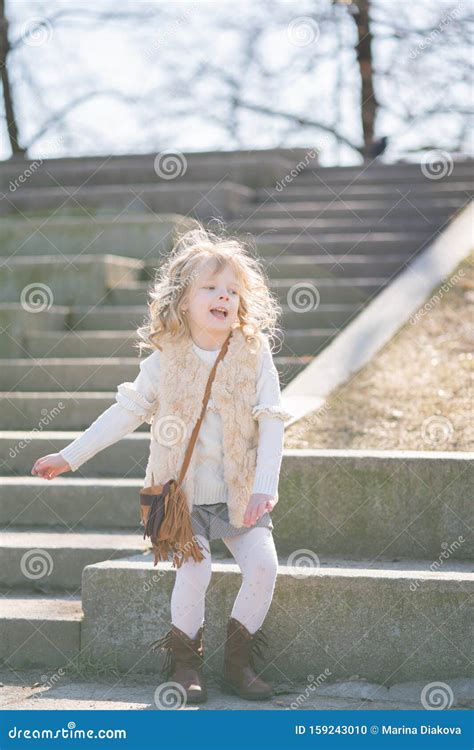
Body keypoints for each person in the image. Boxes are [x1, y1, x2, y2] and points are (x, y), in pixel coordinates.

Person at [31, 226, 292, 705]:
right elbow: (126, 411)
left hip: (238, 488)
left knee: (264, 567)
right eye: (210, 289)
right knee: (195, 573)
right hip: (179, 494)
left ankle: (238, 662)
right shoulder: (166, 358)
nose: (224, 297)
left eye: (233, 291)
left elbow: (271, 419)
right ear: (183, 301)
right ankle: (184, 663)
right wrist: (71, 456)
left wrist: (264, 485)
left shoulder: (254, 356)